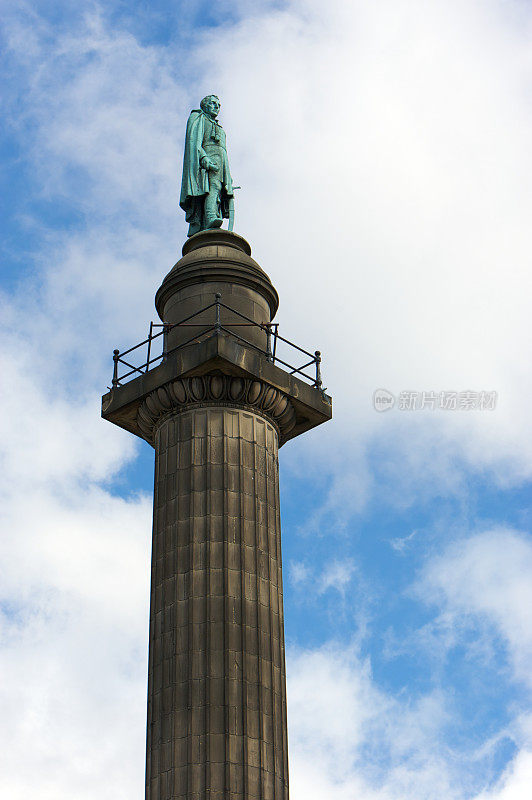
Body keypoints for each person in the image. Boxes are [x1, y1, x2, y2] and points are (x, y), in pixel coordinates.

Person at [179, 95, 234, 237]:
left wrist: (228, 174)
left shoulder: (218, 126)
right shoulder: (199, 118)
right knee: (213, 187)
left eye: (218, 105)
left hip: (221, 161)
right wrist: (203, 157)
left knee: (219, 190)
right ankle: (210, 217)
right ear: (205, 105)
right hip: (208, 158)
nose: (217, 107)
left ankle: (211, 217)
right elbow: (194, 142)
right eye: (213, 103)